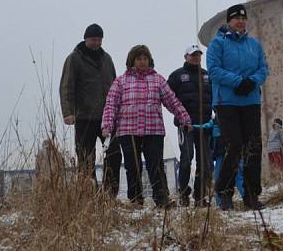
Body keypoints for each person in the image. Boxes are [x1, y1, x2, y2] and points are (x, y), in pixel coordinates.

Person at [102, 45, 191, 208]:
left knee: (155, 165)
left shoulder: (158, 80)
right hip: (128, 130)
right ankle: (136, 199)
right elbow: (111, 105)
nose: (142, 62)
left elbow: (172, 101)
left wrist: (184, 117)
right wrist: (107, 125)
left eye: (145, 59)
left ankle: (162, 199)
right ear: (131, 61)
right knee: (132, 166)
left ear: (150, 60)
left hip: (153, 129)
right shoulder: (120, 81)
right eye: (139, 59)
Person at [207, 4, 268, 210]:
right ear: (229, 21)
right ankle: (224, 193)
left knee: (253, 147)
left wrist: (252, 81)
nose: (240, 21)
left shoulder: (254, 44)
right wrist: (238, 82)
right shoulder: (218, 43)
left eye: (243, 18)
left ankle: (251, 194)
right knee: (234, 146)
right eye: (236, 18)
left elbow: (263, 68)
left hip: (250, 101)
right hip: (227, 102)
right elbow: (214, 70)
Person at [59, 23, 122, 195]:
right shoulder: (74, 58)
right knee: (86, 157)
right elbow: (66, 86)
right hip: (84, 116)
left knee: (114, 153)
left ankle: (110, 192)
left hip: (107, 118)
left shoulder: (107, 59)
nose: (96, 43)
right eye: (93, 39)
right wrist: (68, 112)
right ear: (86, 39)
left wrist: (117, 111)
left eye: (99, 40)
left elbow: (115, 85)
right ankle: (89, 193)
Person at [167, 44, 213, 207]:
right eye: (192, 55)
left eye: (198, 55)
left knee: (205, 161)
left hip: (205, 126)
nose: (196, 57)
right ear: (185, 57)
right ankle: (183, 193)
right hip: (185, 126)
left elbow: (214, 97)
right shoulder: (177, 76)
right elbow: (167, 98)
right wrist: (179, 116)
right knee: (186, 159)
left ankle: (200, 196)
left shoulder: (207, 76)